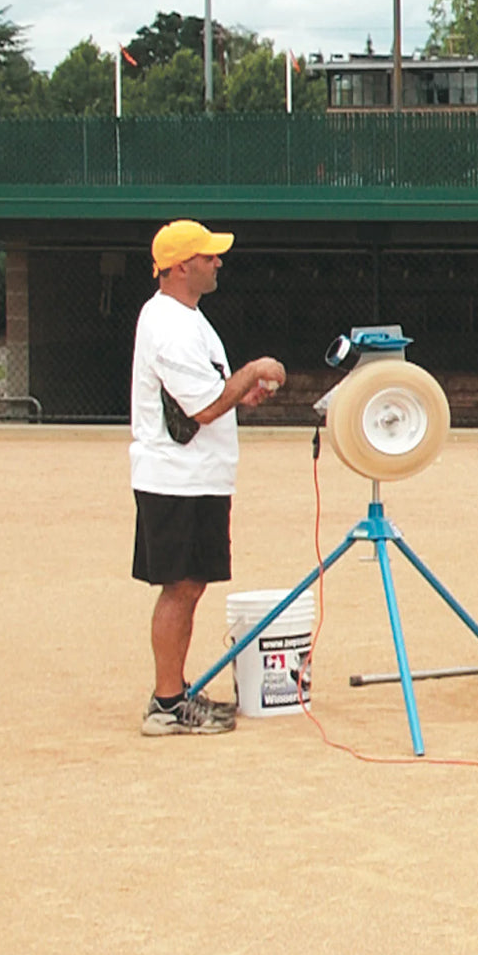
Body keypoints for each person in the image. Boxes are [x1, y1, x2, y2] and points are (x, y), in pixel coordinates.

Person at [130, 219, 285, 735]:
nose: (217, 262)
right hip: (177, 479)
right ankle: (167, 704)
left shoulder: (188, 319)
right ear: (181, 267)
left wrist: (241, 392)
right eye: (208, 255)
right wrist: (251, 373)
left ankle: (173, 696)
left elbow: (208, 396)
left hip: (197, 477)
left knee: (190, 585)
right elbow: (202, 410)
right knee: (181, 586)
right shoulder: (169, 324)